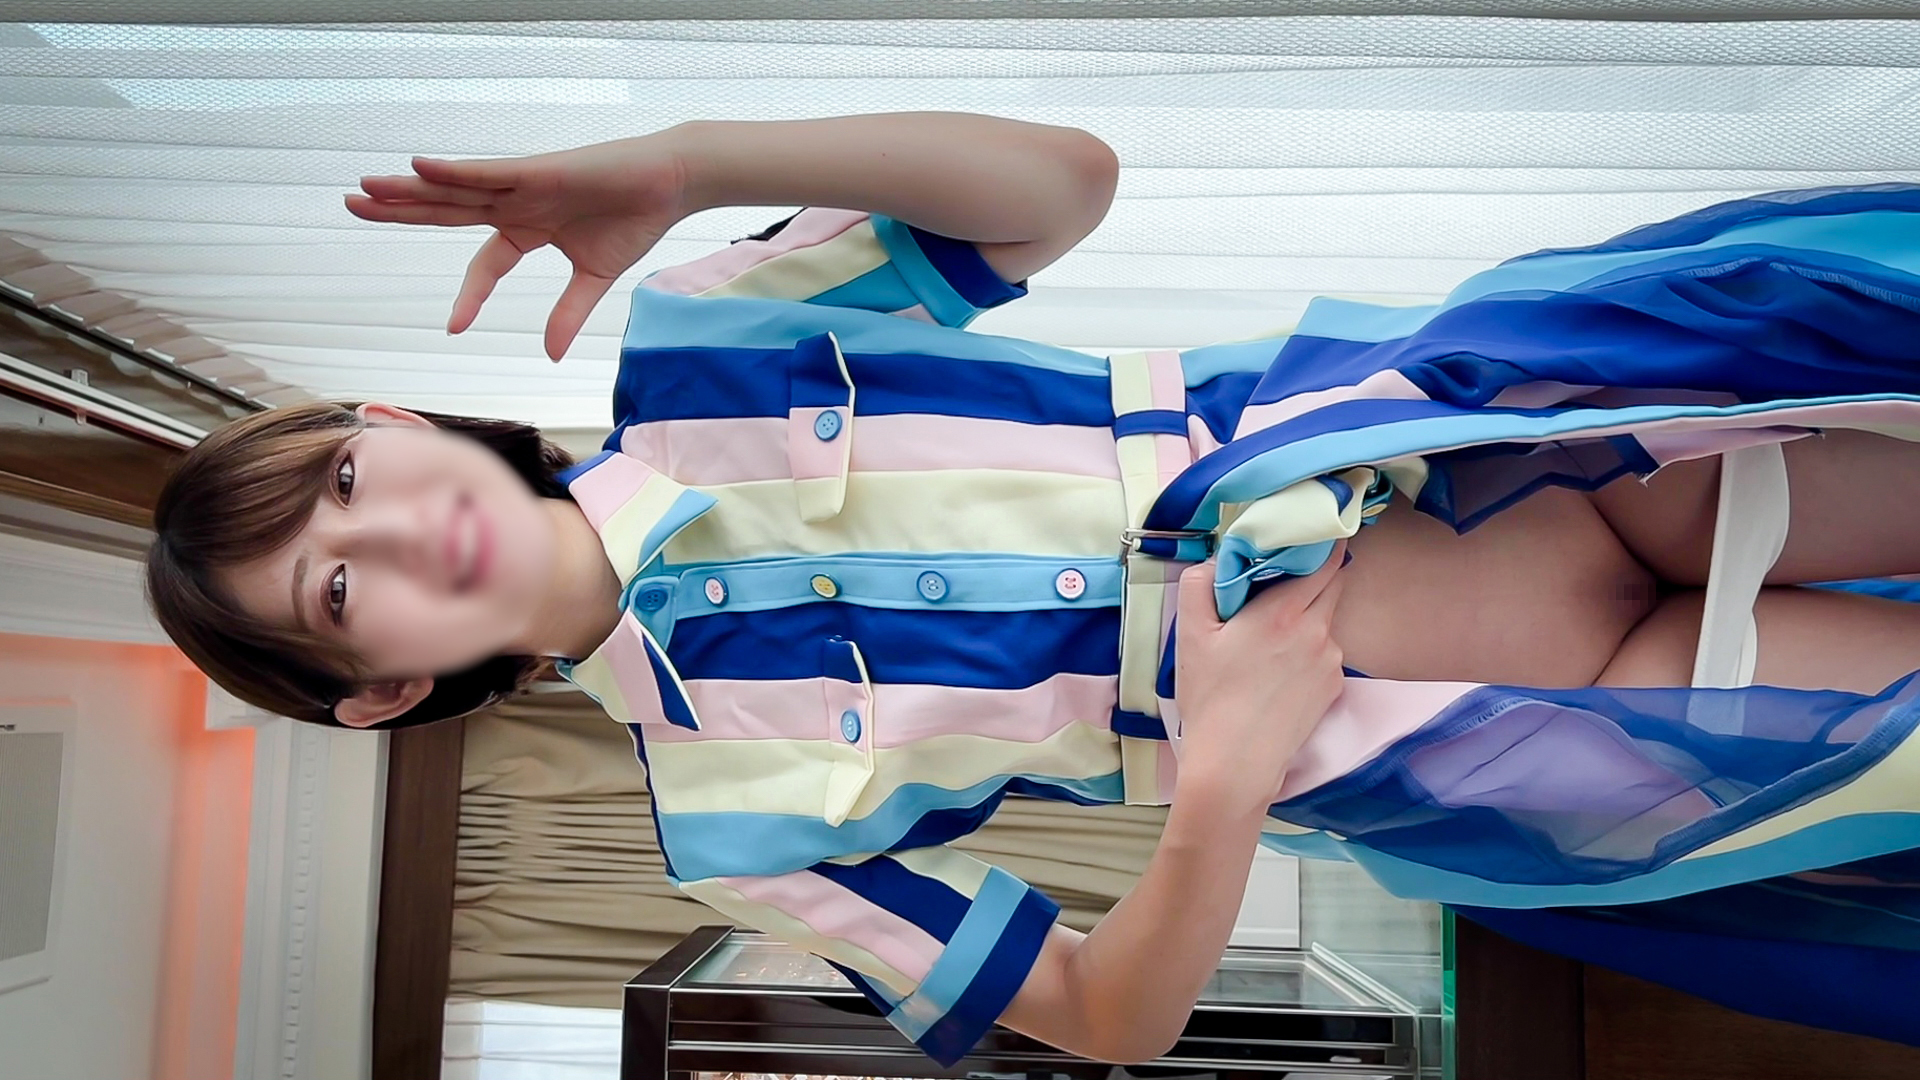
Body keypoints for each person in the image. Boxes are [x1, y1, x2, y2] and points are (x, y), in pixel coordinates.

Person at [146, 113, 1920, 1063]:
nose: (392, 539)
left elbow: (1058, 185)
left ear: (391, 422)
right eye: (337, 595)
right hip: (1513, 725)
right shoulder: (734, 832)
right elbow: (1103, 1019)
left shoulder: (711, 338)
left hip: (1530, 429)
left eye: (349, 486)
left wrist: (694, 165)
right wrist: (1222, 783)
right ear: (380, 691)